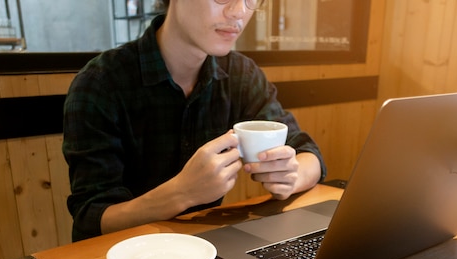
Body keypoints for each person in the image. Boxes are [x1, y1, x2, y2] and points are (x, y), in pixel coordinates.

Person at [63, 0, 327, 241]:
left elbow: (309, 155)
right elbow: (93, 219)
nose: (239, 12)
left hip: (205, 252)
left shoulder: (240, 75)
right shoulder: (100, 84)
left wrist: (290, 175)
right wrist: (181, 193)